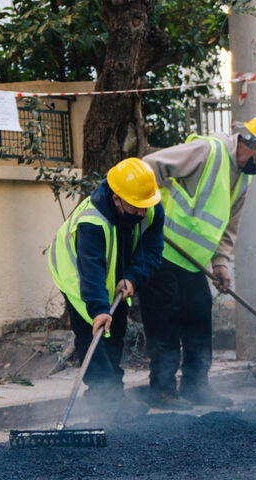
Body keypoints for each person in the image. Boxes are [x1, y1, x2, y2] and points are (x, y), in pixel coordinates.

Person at [138, 115, 256, 409]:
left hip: (193, 262)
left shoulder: (243, 178)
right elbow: (149, 165)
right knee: (164, 323)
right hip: (161, 252)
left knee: (198, 321)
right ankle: (162, 390)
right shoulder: (207, 151)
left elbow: (229, 225)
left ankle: (196, 387)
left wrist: (221, 262)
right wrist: (142, 210)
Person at [48, 157, 165, 420]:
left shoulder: (149, 205)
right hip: (78, 276)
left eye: (144, 207)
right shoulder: (91, 222)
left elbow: (154, 251)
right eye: (135, 207)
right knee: (94, 335)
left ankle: (114, 397)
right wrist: (99, 310)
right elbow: (92, 272)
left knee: (118, 330)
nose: (142, 213)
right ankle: (102, 401)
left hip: (118, 276)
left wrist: (133, 278)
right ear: (116, 199)